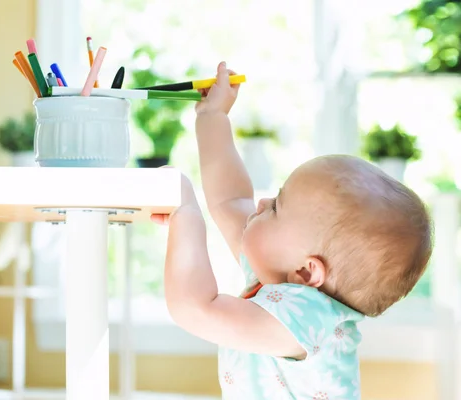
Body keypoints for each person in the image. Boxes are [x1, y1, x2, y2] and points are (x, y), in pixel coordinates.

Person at [150, 61, 433, 399]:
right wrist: (213, 118)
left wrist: (186, 214)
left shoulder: (306, 320)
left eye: (276, 208)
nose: (261, 202)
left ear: (306, 270)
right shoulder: (281, 280)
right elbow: (231, 199)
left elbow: (196, 308)